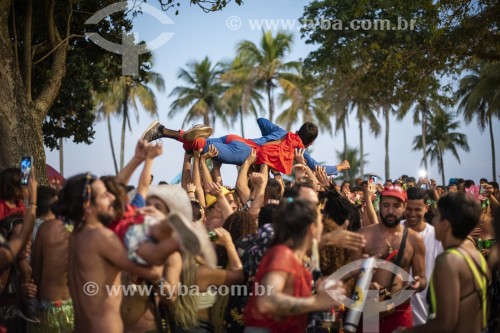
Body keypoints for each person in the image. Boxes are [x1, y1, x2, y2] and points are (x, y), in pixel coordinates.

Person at [53, 173, 163, 333]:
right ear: (88, 206)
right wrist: (156, 226)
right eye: (105, 195)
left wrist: (139, 159)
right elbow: (154, 271)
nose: (112, 198)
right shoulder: (101, 237)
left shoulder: (77, 235)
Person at [243, 198, 346, 332]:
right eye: (321, 221)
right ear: (312, 228)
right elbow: (267, 301)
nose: (324, 226)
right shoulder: (283, 255)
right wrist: (317, 301)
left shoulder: (299, 259)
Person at [397, 193, 490, 333]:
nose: (432, 222)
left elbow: (445, 325)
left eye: (436, 217)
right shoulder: (475, 255)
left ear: (445, 224)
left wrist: (405, 332)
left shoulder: (448, 261)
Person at [140, 118, 350, 176]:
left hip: (238, 139)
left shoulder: (282, 133)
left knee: (192, 148)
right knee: (201, 147)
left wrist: (273, 135)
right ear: (310, 142)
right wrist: (339, 167)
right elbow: (318, 169)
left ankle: (161, 130)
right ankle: (195, 135)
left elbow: (261, 120)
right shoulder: (299, 151)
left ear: (298, 130)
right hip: (243, 153)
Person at [350, 186, 427, 332]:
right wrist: (364, 284)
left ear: (404, 207)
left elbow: (422, 278)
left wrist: (416, 284)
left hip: (399, 312)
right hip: (369, 311)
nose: (391, 211)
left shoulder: (414, 240)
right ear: (379, 206)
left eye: (396, 206)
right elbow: (351, 276)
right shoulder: (363, 236)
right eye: (386, 205)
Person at [401, 187, 443, 325]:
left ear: (426, 208)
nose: (412, 214)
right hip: (396, 312)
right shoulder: (393, 231)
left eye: (417, 209)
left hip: (425, 313)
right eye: (408, 209)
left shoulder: (437, 236)